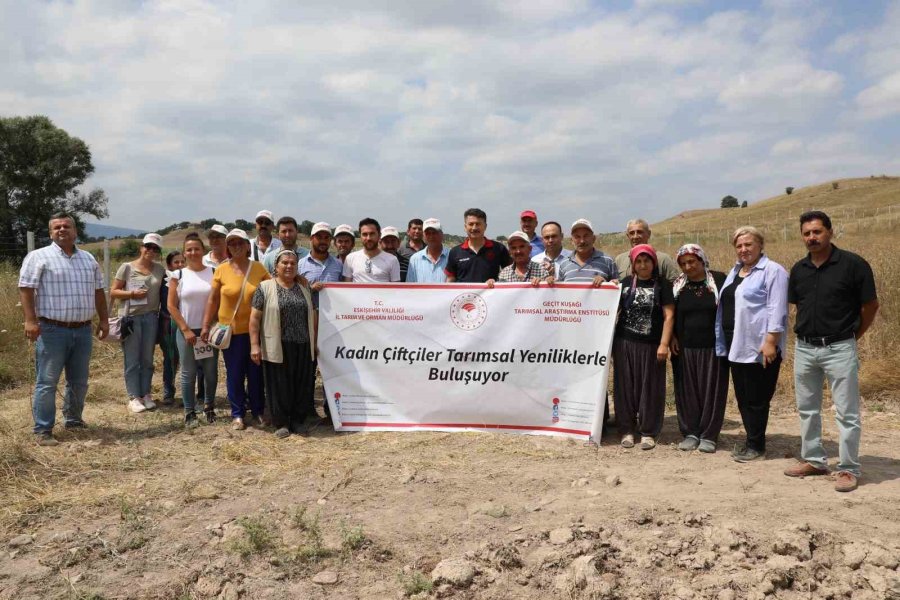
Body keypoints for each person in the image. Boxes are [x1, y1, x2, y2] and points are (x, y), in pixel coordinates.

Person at [784, 211, 878, 492]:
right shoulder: (799, 269)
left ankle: (848, 469)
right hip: (805, 348)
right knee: (807, 409)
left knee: (847, 412)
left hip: (839, 347)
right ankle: (814, 460)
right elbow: (794, 306)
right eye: (807, 233)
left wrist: (852, 337)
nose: (812, 237)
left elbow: (870, 306)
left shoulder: (853, 265)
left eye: (817, 232)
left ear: (830, 232)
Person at [18, 213, 109, 446]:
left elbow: (99, 292)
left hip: (82, 330)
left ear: (75, 231)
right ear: (50, 233)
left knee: (78, 381)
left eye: (66, 226)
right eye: (56, 227)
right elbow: (26, 289)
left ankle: (74, 420)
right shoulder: (38, 257)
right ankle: (43, 429)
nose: (62, 230)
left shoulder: (88, 259)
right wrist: (30, 321)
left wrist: (104, 320)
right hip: (51, 330)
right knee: (47, 381)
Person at [715, 226, 788, 463]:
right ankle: (751, 440)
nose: (743, 249)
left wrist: (771, 342)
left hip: (759, 346)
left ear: (760, 245)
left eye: (748, 244)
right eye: (739, 245)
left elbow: (778, 309)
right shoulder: (736, 271)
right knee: (744, 397)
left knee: (757, 398)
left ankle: (757, 446)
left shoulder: (773, 271)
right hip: (737, 344)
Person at [201, 228, 271, 430]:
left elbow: (273, 291)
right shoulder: (222, 270)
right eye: (232, 243)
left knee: (256, 374)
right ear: (228, 247)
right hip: (230, 333)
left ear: (248, 246)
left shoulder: (258, 268)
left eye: (240, 242)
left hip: (254, 333)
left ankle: (258, 411)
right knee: (234, 374)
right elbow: (213, 300)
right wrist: (206, 324)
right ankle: (238, 414)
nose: (237, 246)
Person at [250, 250, 318, 438]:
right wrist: (254, 345)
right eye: (284, 263)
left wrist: (315, 341)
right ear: (276, 267)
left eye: (293, 263)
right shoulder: (264, 288)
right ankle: (281, 422)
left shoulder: (304, 287)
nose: (289, 266)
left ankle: (297, 421)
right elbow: (255, 318)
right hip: (277, 345)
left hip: (303, 344)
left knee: (301, 384)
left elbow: (313, 314)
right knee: (278, 385)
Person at [613, 244, 675, 450]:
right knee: (625, 388)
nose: (642, 265)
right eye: (638, 261)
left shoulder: (663, 285)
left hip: (651, 345)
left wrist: (664, 344)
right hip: (624, 344)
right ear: (633, 264)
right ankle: (627, 430)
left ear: (653, 262)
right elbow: (612, 309)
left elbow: (669, 316)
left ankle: (648, 431)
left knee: (651, 387)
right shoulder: (624, 283)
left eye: (646, 260)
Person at [670, 244, 728, 453]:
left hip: (713, 347)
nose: (688, 266)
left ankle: (709, 435)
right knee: (687, 392)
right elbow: (670, 316)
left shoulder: (720, 280)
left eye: (692, 261)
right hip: (684, 349)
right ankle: (690, 433)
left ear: (702, 260)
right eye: (683, 263)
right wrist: (672, 338)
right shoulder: (676, 286)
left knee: (712, 391)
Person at [111, 233, 167, 413]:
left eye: (155, 248)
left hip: (151, 317)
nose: (151, 251)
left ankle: (146, 394)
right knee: (132, 359)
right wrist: (131, 295)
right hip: (131, 318)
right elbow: (114, 292)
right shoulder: (126, 268)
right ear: (141, 247)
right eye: (148, 246)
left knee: (147, 359)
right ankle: (134, 396)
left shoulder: (160, 270)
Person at [167, 234, 219, 427]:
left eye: (196, 249)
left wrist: (210, 326)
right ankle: (189, 412)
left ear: (203, 251)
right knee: (188, 372)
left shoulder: (214, 272)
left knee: (211, 371)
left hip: (209, 331)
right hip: (187, 332)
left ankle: (209, 406)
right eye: (189, 249)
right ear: (184, 252)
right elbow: (172, 306)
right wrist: (185, 329)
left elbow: (218, 301)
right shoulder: (178, 275)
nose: (193, 252)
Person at [445, 208, 512, 283]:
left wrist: (497, 282)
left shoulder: (499, 248)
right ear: (465, 227)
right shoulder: (455, 252)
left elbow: (510, 273)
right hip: (464, 295)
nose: (474, 228)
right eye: (471, 224)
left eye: (478, 224)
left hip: (491, 294)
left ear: (485, 226)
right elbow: (451, 278)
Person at [158, 250, 185, 406]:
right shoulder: (163, 281)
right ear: (169, 265)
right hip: (168, 324)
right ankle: (169, 391)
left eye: (182, 261)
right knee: (170, 359)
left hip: (188, 323)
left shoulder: (189, 277)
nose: (180, 264)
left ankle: (188, 393)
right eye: (176, 262)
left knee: (188, 361)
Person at [614, 219, 679, 282]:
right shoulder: (619, 260)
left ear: (649, 234)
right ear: (628, 236)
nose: (635, 236)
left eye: (639, 232)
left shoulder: (664, 260)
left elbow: (675, 285)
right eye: (632, 233)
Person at [556, 219, 618, 285]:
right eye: (577, 237)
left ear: (593, 238)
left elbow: (616, 286)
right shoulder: (564, 263)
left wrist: (606, 283)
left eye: (586, 236)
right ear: (571, 240)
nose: (582, 241)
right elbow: (560, 290)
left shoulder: (608, 261)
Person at [299, 222, 344, 308]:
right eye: (319, 237)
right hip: (309, 317)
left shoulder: (338, 264)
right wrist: (310, 289)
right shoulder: (301, 264)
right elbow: (294, 291)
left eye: (326, 238)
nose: (323, 241)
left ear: (330, 240)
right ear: (311, 238)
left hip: (333, 317)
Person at [342, 218, 401, 283]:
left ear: (379, 235)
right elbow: (347, 286)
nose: (368, 238)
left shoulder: (392, 260)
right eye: (365, 234)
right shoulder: (350, 258)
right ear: (360, 236)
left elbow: (395, 289)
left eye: (372, 234)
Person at [406, 218, 450, 283]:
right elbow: (410, 286)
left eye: (434, 233)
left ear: (442, 234)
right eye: (428, 233)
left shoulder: (452, 256)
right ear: (423, 235)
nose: (431, 236)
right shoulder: (415, 259)